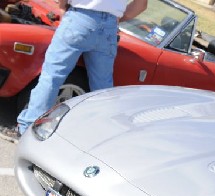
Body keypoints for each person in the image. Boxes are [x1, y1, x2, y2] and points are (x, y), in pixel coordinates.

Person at [4, 0, 147, 142]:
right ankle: (98, 138)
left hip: (80, 17)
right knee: (102, 87)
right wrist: (114, 18)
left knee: (52, 77)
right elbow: (141, 5)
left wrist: (63, 7)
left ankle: (26, 129)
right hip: (110, 26)